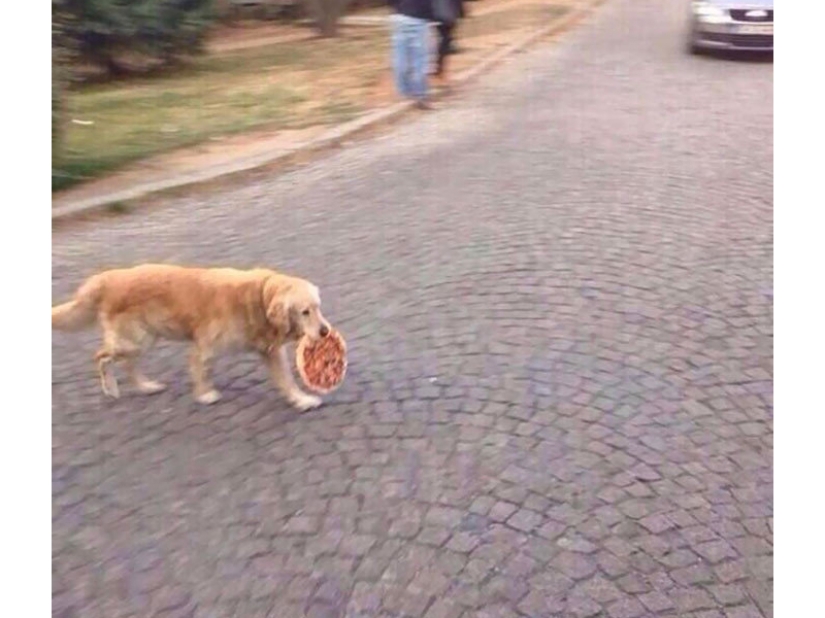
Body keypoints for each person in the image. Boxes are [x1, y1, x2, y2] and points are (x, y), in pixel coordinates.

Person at [388, 0, 435, 109]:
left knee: (400, 56)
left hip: (399, 18)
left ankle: (404, 91)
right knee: (419, 59)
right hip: (419, 19)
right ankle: (420, 94)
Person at [433, 0, 465, 83]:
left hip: (435, 13)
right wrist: (461, 12)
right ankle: (440, 68)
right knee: (445, 39)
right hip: (448, 14)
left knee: (443, 39)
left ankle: (439, 68)